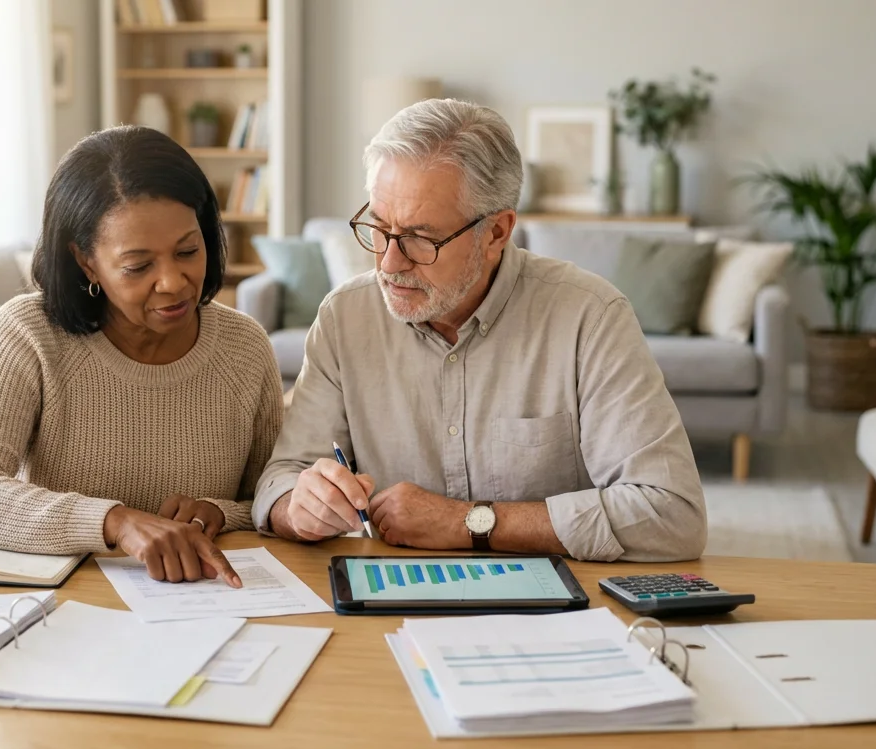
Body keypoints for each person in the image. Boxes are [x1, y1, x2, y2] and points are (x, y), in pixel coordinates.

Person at [253, 99, 706, 562]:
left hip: (555, 614)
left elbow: (672, 515)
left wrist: (465, 521)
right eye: (379, 227)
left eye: (420, 238)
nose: (389, 263)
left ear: (496, 233)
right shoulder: (344, 318)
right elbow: (280, 480)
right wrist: (299, 506)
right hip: (391, 598)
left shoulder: (590, 317)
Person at [0, 126, 284, 585]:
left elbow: (271, 500)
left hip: (202, 605)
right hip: (60, 613)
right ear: (85, 260)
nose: (173, 281)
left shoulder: (244, 348)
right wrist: (115, 522)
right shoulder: (29, 334)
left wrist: (219, 512)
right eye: (138, 266)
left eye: (188, 251)